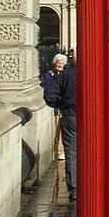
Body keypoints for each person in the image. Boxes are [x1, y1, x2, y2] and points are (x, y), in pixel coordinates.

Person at [42, 52, 77, 201]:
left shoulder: (65, 75)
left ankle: (74, 189)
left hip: (70, 115)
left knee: (71, 151)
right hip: (95, 116)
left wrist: (60, 104)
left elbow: (50, 96)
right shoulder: (100, 71)